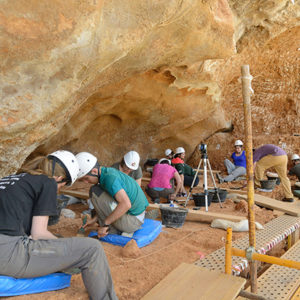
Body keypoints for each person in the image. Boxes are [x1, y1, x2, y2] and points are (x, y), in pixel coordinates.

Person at [0, 150, 117, 300]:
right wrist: (67, 248)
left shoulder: (11, 179)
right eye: (63, 186)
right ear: (60, 178)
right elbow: (38, 234)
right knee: (92, 249)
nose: (59, 189)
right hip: (7, 253)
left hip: (6, 245)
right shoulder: (48, 182)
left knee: (59, 242)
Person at [77, 152, 149, 237]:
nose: (86, 182)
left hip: (133, 222)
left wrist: (105, 224)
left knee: (94, 192)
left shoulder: (109, 179)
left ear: (94, 171)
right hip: (138, 216)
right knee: (98, 191)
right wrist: (93, 221)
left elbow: (126, 204)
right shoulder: (107, 173)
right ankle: (110, 225)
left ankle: (113, 230)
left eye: (86, 178)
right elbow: (108, 204)